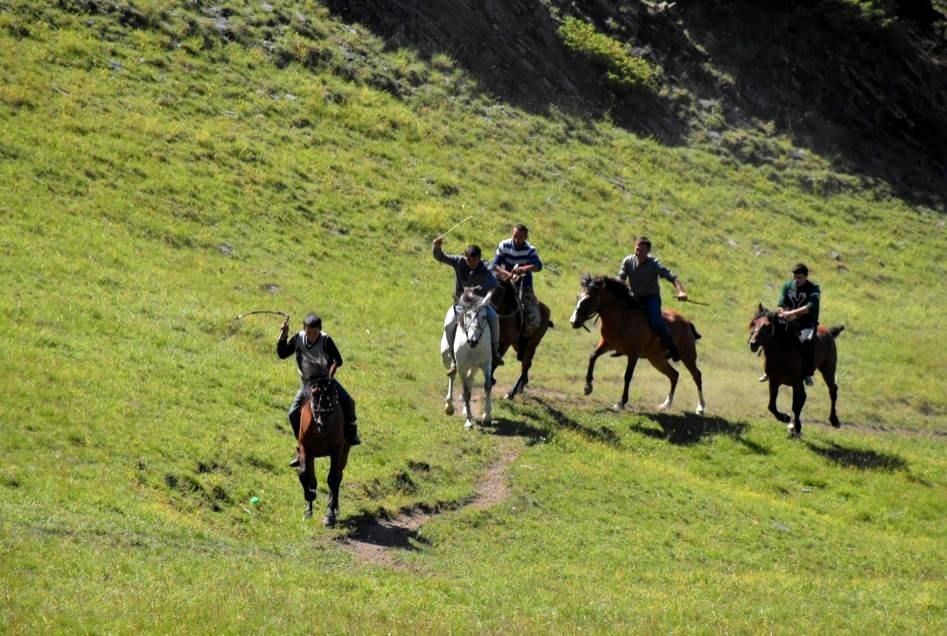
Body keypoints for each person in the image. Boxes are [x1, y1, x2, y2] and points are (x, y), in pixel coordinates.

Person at [278, 313, 360, 468]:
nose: (312, 336)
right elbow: (282, 354)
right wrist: (283, 335)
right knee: (292, 413)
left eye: (315, 332)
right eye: (309, 332)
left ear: (320, 331)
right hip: (308, 385)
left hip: (326, 381)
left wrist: (330, 376)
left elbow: (338, 360)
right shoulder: (298, 339)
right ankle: (301, 448)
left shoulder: (326, 340)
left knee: (349, 401)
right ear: (304, 329)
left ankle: (351, 433)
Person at [433, 237, 502, 374]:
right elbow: (441, 257)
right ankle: (453, 359)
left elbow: (493, 283)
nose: (470, 263)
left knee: (494, 318)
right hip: (461, 303)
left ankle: (495, 351)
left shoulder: (485, 267)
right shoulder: (458, 262)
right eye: (468, 260)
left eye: (474, 260)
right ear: (464, 257)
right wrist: (437, 247)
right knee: (449, 324)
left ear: (479, 259)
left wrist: (478, 290)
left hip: (479, 304)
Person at [617, 236, 688, 361]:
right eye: (637, 249)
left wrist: (681, 291)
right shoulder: (627, 261)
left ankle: (671, 348)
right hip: (635, 297)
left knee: (656, 321)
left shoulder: (654, 264)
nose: (639, 253)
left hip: (651, 298)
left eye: (642, 251)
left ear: (648, 252)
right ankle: (621, 344)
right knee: (619, 315)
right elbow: (620, 279)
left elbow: (671, 277)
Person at [491, 223, 544, 338]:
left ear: (526, 237)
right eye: (515, 236)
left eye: (520, 237)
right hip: (504, 282)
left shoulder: (530, 250)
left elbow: (538, 266)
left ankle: (522, 338)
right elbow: (494, 265)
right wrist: (507, 274)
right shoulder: (504, 245)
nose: (516, 239)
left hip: (523, 285)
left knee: (534, 318)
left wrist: (523, 269)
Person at [776, 263, 820, 386]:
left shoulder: (813, 289)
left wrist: (792, 313)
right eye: (794, 277)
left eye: (799, 278)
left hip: (806, 324)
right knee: (771, 333)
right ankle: (769, 368)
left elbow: (809, 307)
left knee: (806, 341)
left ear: (806, 277)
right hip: (789, 321)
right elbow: (781, 301)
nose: (796, 280)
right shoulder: (787, 286)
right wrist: (782, 311)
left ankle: (807, 372)